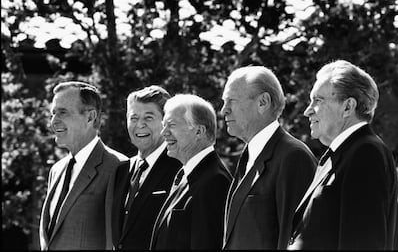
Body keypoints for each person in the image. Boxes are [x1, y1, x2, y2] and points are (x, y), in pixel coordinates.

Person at [288, 60, 398, 250]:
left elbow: (363, 243)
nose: (307, 111)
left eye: (318, 100)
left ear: (348, 107)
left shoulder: (366, 153)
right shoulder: (342, 154)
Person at [221, 66, 317, 249]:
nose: (223, 110)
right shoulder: (249, 155)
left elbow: (296, 239)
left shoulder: (293, 157)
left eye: (231, 101)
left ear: (263, 102)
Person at [39, 81, 128, 250]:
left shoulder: (117, 166)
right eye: (53, 113)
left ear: (90, 117)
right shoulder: (56, 170)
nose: (54, 121)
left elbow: (114, 243)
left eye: (62, 113)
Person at [150, 94, 232, 250]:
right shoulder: (186, 174)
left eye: (171, 125)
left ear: (199, 131)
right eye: (164, 125)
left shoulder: (215, 182)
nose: (163, 133)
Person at [106, 86, 181, 250]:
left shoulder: (180, 169)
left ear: (166, 122)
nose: (139, 125)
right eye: (133, 118)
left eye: (148, 117)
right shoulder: (122, 170)